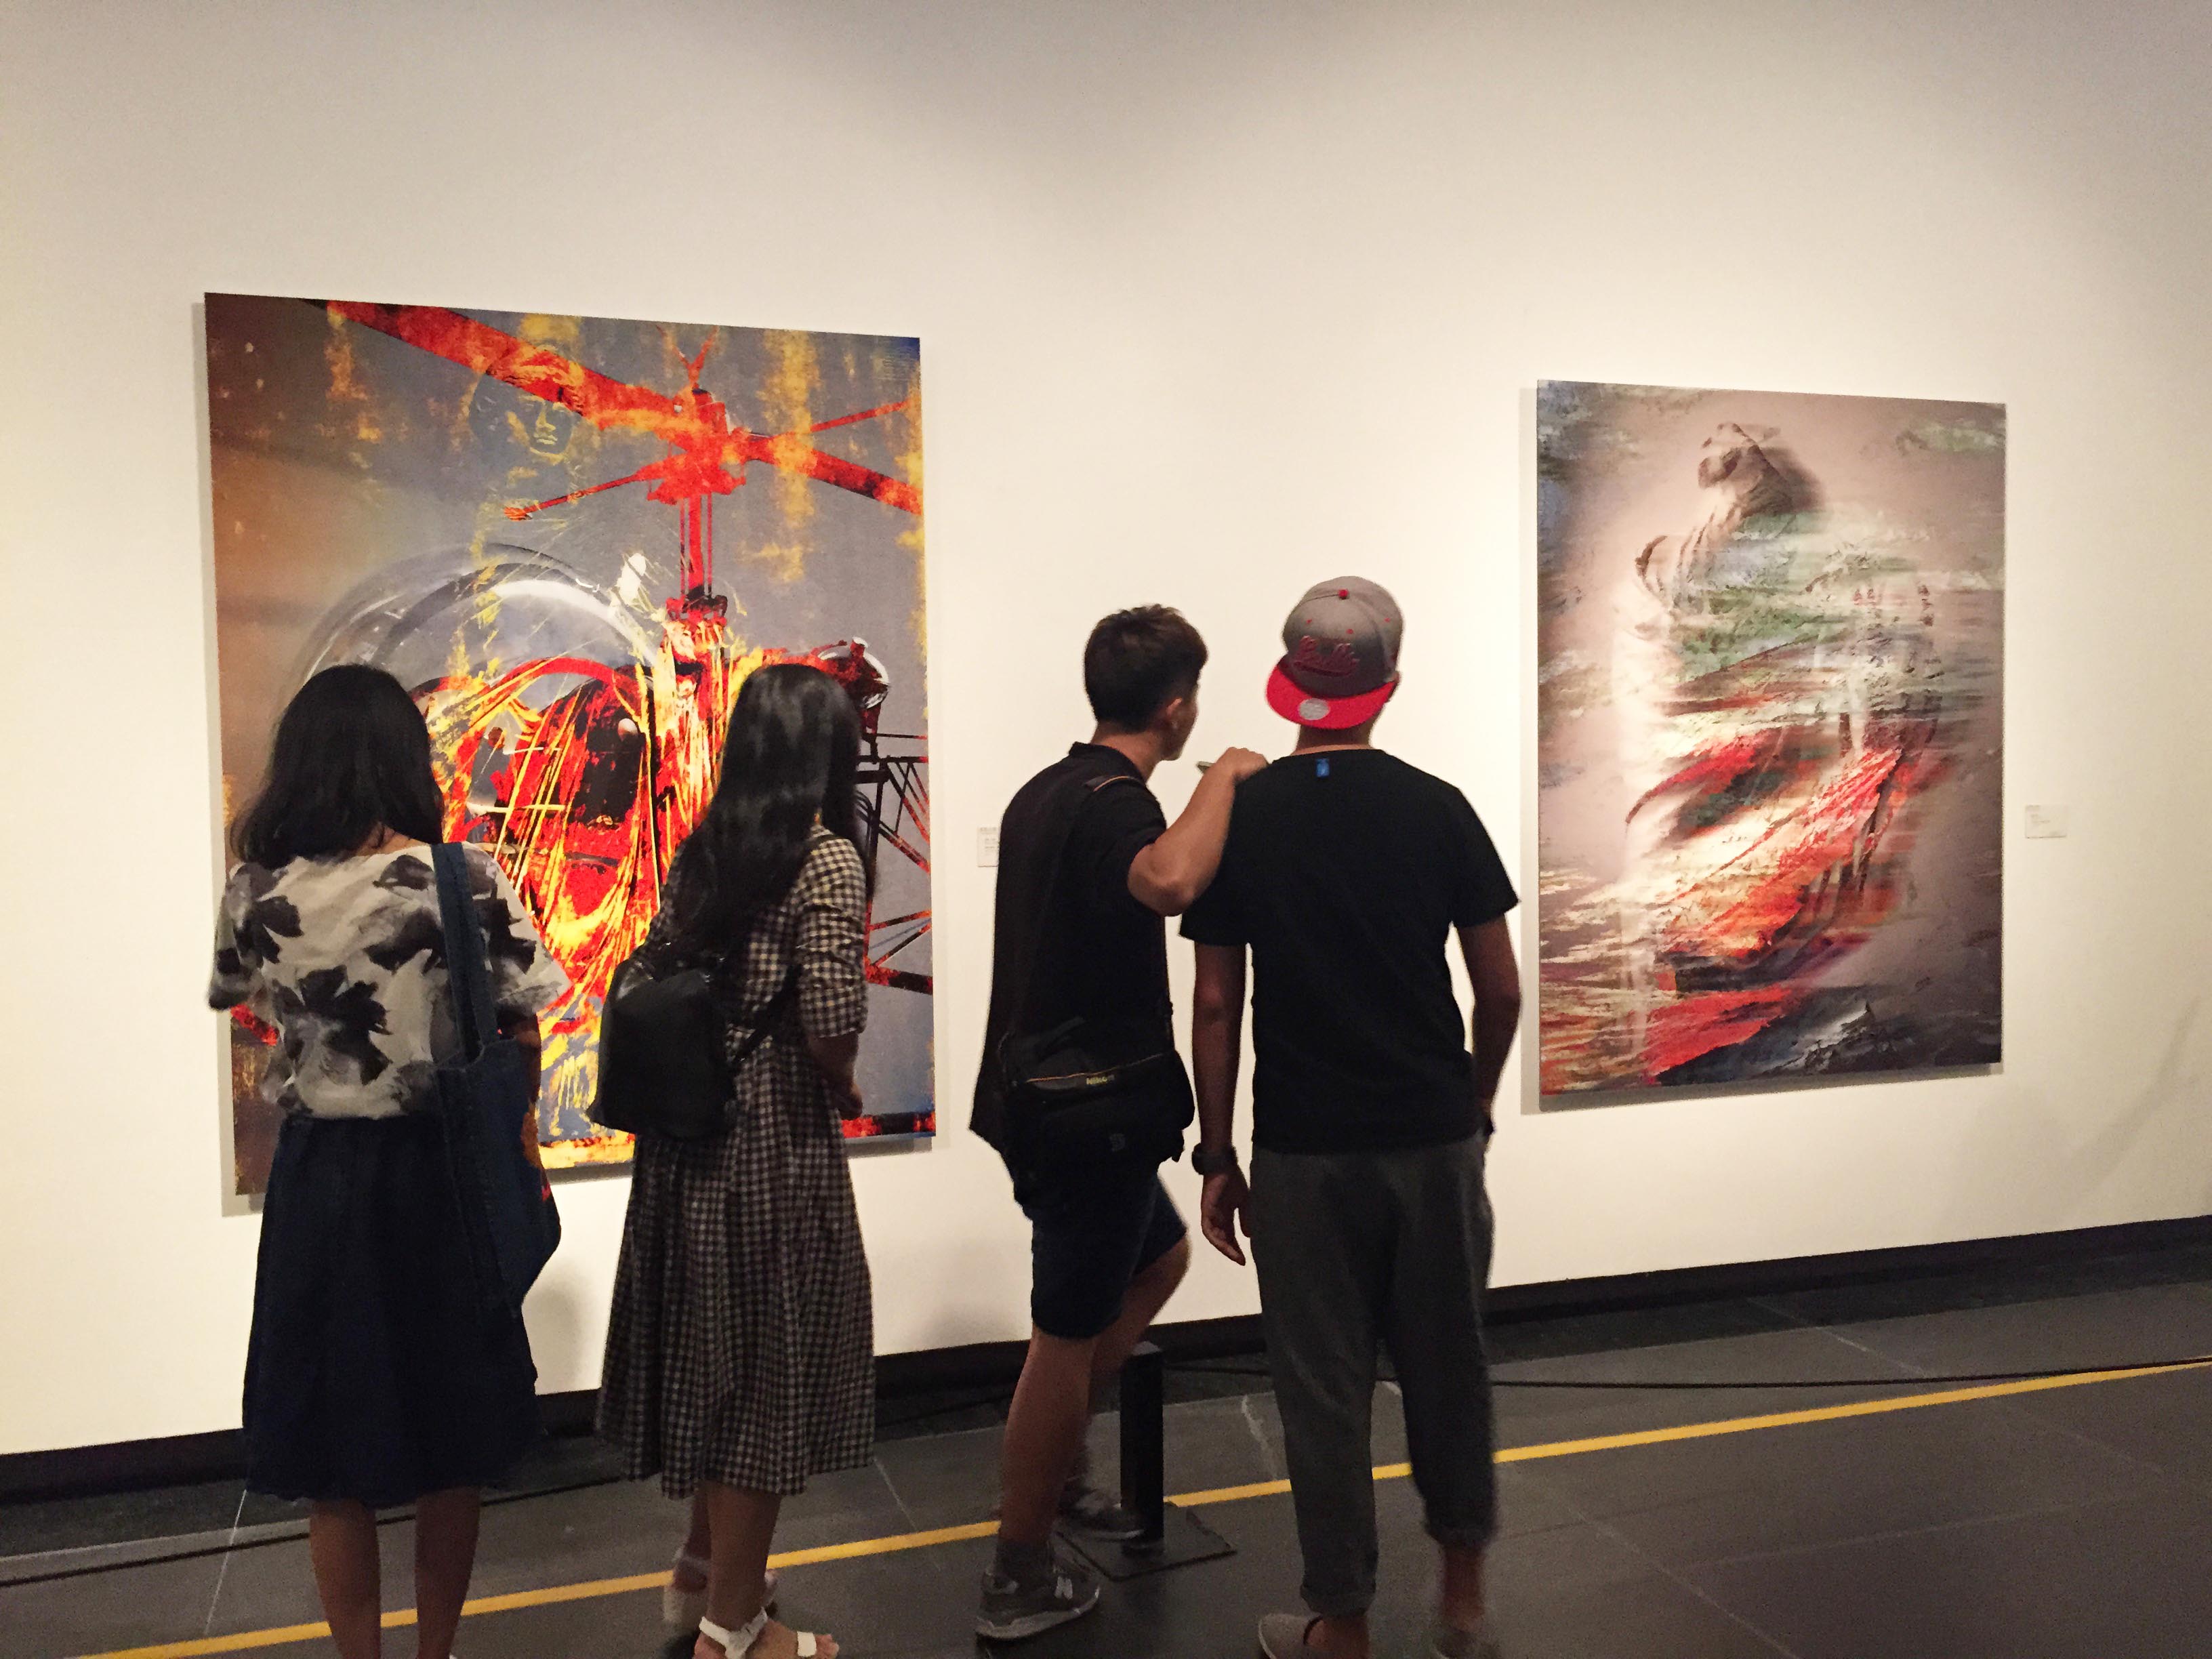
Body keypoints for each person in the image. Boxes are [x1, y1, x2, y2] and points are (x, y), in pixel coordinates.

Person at [1182, 580, 1522, 1659]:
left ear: (1287, 683)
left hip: (1303, 1148)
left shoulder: (1249, 817)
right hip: (1431, 1136)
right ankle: (1461, 1597)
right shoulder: (1439, 807)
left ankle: (1343, 1624)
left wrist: (1218, 1154)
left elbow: (1217, 1003)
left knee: (1321, 1392)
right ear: (1391, 685)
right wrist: (1474, 1103)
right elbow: (1501, 990)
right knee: (1450, 1368)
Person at [207, 664, 566, 1659]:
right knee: (453, 1441)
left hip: (319, 1183)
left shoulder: (257, 890)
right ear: (406, 760)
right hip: (440, 1179)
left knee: (334, 1452)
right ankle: (433, 1653)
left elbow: (237, 995)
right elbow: (525, 1014)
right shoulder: (462, 878)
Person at [972, 605, 1267, 1641]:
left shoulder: (1047, 790)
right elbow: (1171, 881)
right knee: (1064, 1335)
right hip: (1084, 1120)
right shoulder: (1114, 804)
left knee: (1160, 1258)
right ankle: (1017, 1571)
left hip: (1055, 1106)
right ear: (1177, 708)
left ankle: (1054, 1471)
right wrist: (1229, 779)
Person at [598, 662, 878, 1659]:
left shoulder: (705, 849)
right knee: (763, 1376)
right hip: (772, 1142)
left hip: (686, 1142)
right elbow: (834, 1020)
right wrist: (844, 1083)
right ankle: (735, 1630)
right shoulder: (827, 859)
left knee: (708, 1357)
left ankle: (697, 1573)